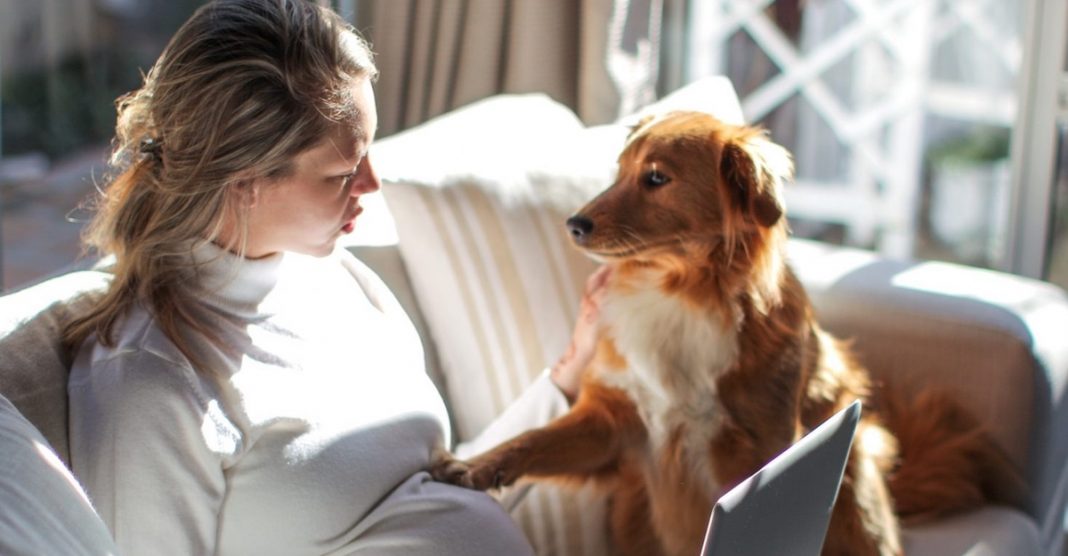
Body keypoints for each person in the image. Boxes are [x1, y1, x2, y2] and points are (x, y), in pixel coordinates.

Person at [62, 1, 607, 554]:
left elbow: (432, 494)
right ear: (242, 180)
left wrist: (568, 374)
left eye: (368, 151)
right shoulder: (153, 386)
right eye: (344, 172)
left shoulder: (337, 278)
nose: (372, 182)